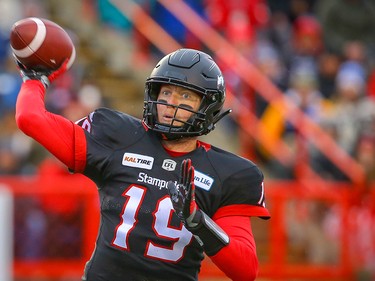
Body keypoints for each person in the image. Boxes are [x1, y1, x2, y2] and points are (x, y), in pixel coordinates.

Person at [15, 48, 270, 281]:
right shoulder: (118, 135)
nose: (171, 103)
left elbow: (246, 270)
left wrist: (198, 221)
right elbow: (30, 118)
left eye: (185, 96)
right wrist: (35, 78)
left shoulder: (228, 173)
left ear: (208, 107)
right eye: (166, 92)